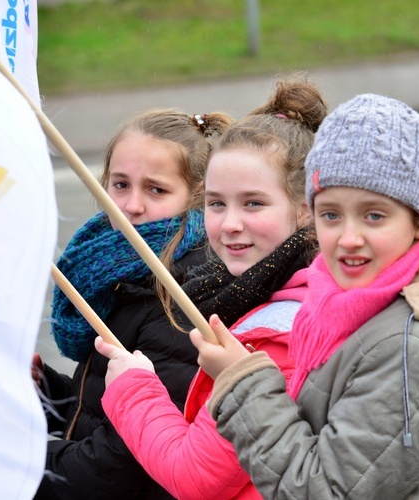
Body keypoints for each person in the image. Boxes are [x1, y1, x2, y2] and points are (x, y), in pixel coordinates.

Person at [190, 93, 419, 499]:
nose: (349, 239)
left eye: (374, 215)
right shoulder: (352, 305)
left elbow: (327, 491)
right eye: (331, 214)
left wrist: (241, 384)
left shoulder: (412, 348)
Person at [93, 75, 328, 499]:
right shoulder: (253, 295)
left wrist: (134, 387)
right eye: (217, 203)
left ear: (306, 210)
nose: (230, 224)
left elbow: (197, 477)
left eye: (253, 203)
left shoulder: (280, 332)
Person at [32, 108, 232, 500]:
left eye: (156, 189)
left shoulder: (182, 295)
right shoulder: (118, 270)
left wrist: (19, 456)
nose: (131, 205)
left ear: (196, 197)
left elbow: (117, 465)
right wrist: (47, 391)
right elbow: (106, 402)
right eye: (120, 184)